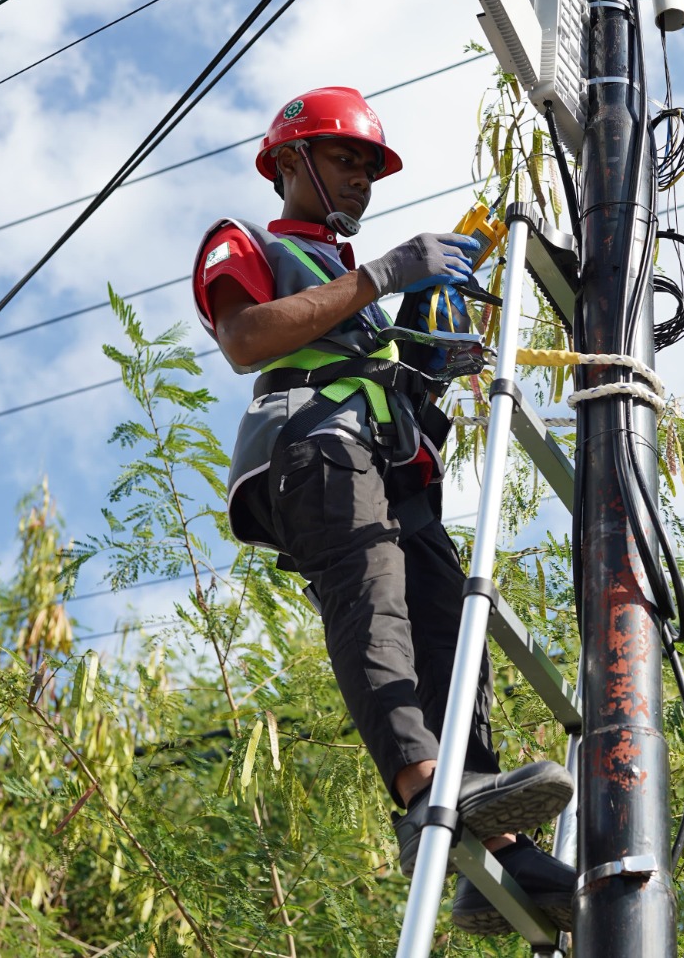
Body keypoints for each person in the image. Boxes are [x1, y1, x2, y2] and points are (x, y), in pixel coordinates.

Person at [191, 86, 576, 934]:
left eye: (369, 166)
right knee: (373, 596)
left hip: (390, 456)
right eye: (343, 159)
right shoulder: (249, 241)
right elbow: (248, 339)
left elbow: (391, 357)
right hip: (312, 444)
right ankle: (418, 786)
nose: (361, 179)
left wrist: (428, 342)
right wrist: (387, 273)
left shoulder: (352, 284)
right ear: (288, 162)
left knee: (450, 621)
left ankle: (490, 829)